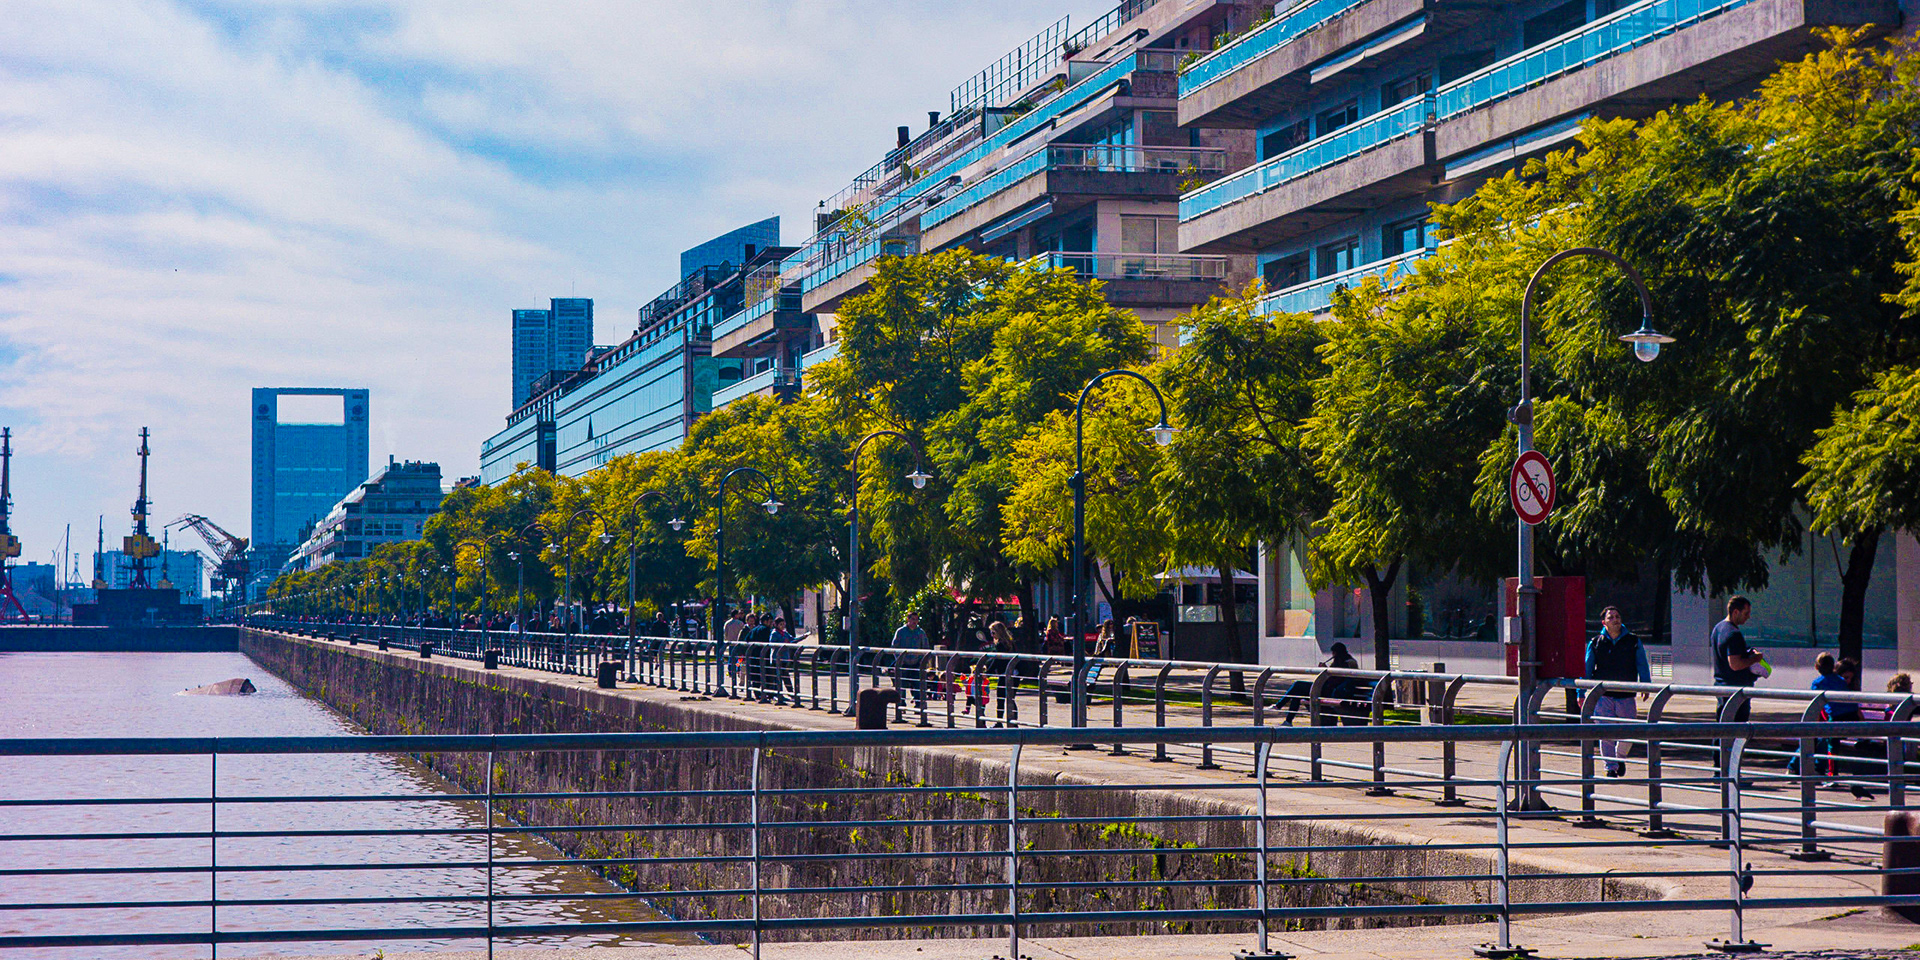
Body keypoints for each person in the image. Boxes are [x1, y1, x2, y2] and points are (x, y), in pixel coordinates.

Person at [1585, 606, 1651, 778]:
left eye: (1618, 616)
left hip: (1626, 695)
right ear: (1604, 622)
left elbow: (1642, 664)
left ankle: (1619, 758)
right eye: (1611, 617)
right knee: (1605, 733)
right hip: (1603, 696)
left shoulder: (1633, 641)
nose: (1615, 619)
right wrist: (1581, 693)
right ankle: (1610, 768)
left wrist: (1646, 685)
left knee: (1628, 732)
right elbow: (1587, 670)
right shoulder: (1596, 642)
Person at [1711, 596, 1763, 722]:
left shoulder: (1718, 629)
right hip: (1736, 689)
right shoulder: (1734, 633)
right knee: (1737, 730)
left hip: (1722, 686)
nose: (1748, 617)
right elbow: (1735, 664)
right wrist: (1755, 659)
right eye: (1746, 613)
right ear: (1735, 612)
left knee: (1722, 728)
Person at [891, 611, 931, 705]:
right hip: (903, 664)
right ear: (908, 619)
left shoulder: (920, 632)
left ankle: (919, 705)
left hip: (916, 664)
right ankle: (901, 705)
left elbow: (925, 647)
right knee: (901, 685)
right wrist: (899, 660)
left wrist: (923, 661)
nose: (915, 621)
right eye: (912, 619)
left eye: (916, 619)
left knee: (918, 685)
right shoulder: (900, 631)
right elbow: (894, 647)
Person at [722, 609, 747, 682]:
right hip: (738, 643)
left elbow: (725, 633)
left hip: (730, 642)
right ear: (736, 615)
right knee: (739, 658)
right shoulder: (740, 623)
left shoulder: (727, 623)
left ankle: (730, 670)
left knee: (731, 657)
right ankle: (737, 669)